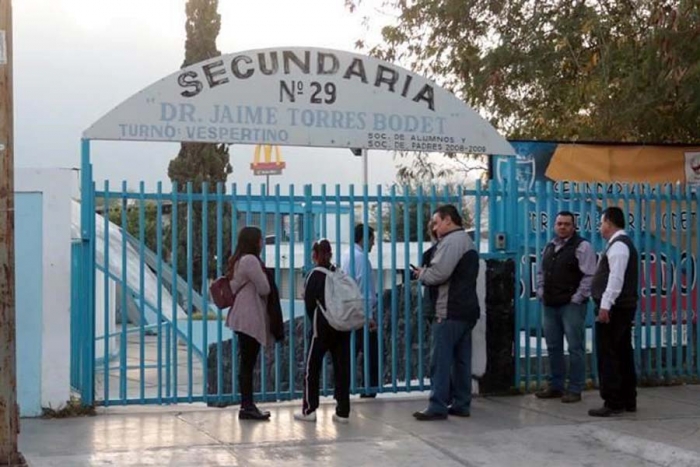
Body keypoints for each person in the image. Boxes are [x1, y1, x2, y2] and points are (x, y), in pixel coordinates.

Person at [412, 205, 480, 421]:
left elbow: (438, 274)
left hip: (448, 310)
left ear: (448, 220)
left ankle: (437, 405)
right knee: (461, 361)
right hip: (466, 310)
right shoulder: (465, 240)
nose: (434, 226)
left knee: (440, 361)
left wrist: (422, 273)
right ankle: (461, 403)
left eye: (436, 222)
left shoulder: (452, 242)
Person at [535, 211, 596, 403]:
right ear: (554, 226)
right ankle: (556, 385)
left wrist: (577, 298)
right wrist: (540, 290)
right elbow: (541, 271)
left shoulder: (582, 246)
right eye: (559, 223)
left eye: (567, 224)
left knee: (575, 347)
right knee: (553, 346)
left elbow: (590, 275)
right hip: (550, 304)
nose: (562, 227)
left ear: (574, 226)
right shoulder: (550, 246)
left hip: (571, 305)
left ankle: (575, 388)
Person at [589, 206, 639, 417]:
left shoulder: (618, 246)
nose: (600, 227)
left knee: (608, 353)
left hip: (615, 308)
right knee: (622, 351)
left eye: (601, 223)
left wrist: (605, 306)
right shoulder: (621, 244)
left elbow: (616, 279)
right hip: (622, 307)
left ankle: (613, 400)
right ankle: (628, 398)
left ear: (609, 222)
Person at [294, 240, 351, 423]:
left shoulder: (315, 275)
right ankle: (343, 411)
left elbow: (310, 304)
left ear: (314, 255)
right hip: (341, 328)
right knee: (342, 368)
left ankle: (309, 409)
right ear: (331, 254)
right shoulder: (339, 273)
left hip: (322, 329)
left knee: (312, 367)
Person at [225, 226, 272, 421]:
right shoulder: (250, 261)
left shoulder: (238, 260)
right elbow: (264, 288)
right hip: (249, 317)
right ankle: (247, 406)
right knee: (248, 364)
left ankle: (247, 405)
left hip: (240, 317)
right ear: (253, 241)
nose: (262, 243)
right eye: (260, 239)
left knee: (246, 363)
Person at [341, 224, 380, 398]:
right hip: (362, 314)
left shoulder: (346, 255)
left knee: (350, 353)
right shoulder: (361, 258)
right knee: (371, 354)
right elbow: (364, 290)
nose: (373, 244)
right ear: (364, 239)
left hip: (349, 312)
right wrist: (369, 317)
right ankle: (369, 389)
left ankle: (344, 388)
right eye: (372, 239)